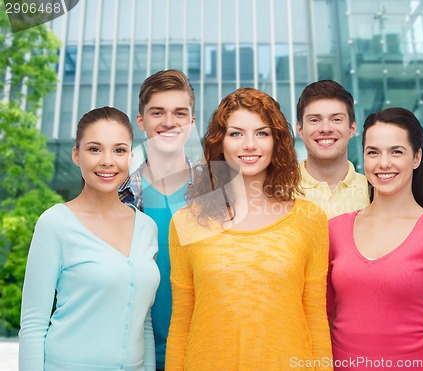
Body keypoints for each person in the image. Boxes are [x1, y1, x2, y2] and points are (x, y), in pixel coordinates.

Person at [166, 88, 332, 370]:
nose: (250, 144)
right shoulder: (186, 222)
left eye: (262, 133)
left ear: (277, 142)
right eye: (236, 133)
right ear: (219, 143)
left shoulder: (310, 220)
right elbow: (182, 322)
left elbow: (315, 319)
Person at [327, 107, 423, 370]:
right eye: (373, 152)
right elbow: (321, 315)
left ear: (416, 157)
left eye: (396, 151)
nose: (383, 163)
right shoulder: (334, 231)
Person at [19, 106, 160, 370]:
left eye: (119, 150)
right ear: (76, 155)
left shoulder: (147, 228)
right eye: (94, 149)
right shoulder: (55, 223)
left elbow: (145, 322)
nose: (107, 161)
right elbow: (33, 325)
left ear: (130, 156)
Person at [118, 69, 197, 370]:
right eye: (157, 112)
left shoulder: (217, 195)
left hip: (201, 351)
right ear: (141, 121)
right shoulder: (118, 194)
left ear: (191, 122)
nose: (168, 122)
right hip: (134, 355)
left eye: (179, 113)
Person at [296, 80, 370, 218]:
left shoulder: (374, 191)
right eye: (314, 120)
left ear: (352, 129)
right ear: (300, 130)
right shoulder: (279, 191)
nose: (325, 129)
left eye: (336, 119)